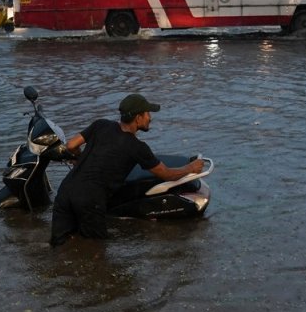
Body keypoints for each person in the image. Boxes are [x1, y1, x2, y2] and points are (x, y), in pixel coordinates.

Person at [49, 93, 205, 247]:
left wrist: (80, 158)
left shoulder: (101, 125)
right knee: (95, 252)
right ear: (138, 118)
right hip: (90, 200)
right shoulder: (137, 147)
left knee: (60, 246)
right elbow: (166, 174)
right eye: (147, 114)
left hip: (66, 190)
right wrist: (190, 167)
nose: (150, 117)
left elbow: (71, 145)